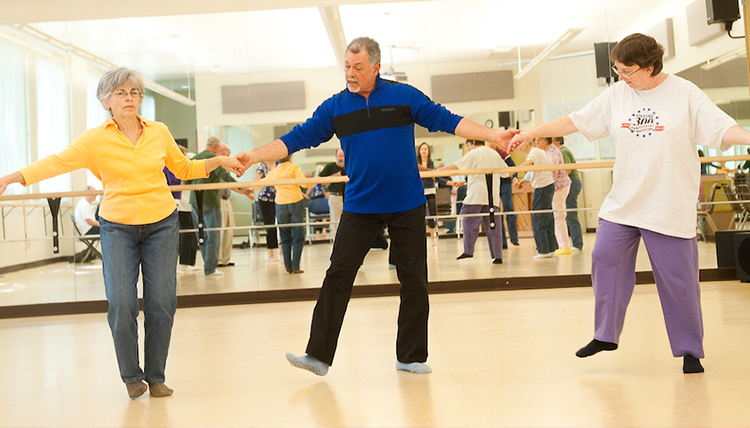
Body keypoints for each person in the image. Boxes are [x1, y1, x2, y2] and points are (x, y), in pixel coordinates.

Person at [237, 36, 516, 376]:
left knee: (414, 278)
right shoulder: (335, 107)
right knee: (338, 274)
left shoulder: (403, 96)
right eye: (346, 67)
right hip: (360, 205)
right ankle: (318, 356)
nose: (350, 74)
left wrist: (493, 136)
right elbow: (296, 138)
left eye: (358, 67)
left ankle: (410, 356)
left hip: (407, 203)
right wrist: (253, 156)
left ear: (376, 67)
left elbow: (446, 119)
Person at [508, 33, 750, 373]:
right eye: (617, 69)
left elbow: (721, 128)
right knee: (604, 256)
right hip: (623, 202)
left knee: (678, 282)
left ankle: (689, 350)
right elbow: (576, 120)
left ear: (650, 67)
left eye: (627, 71)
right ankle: (606, 333)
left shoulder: (685, 94)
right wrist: (534, 132)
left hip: (667, 203)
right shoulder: (617, 94)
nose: (621, 77)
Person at [0, 67, 244, 398]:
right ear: (106, 101)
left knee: (161, 303)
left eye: (134, 93)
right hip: (117, 228)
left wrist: (218, 162)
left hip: (162, 223)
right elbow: (54, 163)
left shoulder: (158, 131)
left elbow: (184, 169)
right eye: (120, 93)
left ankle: (156, 376)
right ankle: (131, 376)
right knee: (122, 303)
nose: (128, 99)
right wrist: (11, 178)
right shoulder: (94, 139)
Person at [185, 137, 252, 277]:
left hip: (195, 201)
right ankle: (210, 269)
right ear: (216, 148)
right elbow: (226, 178)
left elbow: (186, 181)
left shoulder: (196, 158)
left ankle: (208, 266)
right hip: (210, 201)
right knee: (214, 235)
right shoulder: (216, 160)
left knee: (201, 234)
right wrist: (243, 189)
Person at [440, 139, 506, 264]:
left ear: (473, 143)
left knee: (467, 219)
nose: (469, 148)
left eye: (468, 146)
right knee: (493, 225)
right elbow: (506, 173)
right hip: (492, 198)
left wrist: (438, 172)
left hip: (476, 196)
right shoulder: (494, 153)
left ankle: (468, 250)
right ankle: (498, 256)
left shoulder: (474, 153)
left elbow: (456, 165)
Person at [262, 154, 309, 274]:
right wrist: (313, 180)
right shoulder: (294, 168)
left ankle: (288, 266)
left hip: (280, 204)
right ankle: (296, 266)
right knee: (298, 234)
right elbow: (304, 184)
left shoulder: (275, 171)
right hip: (295, 201)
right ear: (291, 156)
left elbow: (262, 183)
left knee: (284, 235)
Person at [513, 138, 556, 259]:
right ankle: (551, 248)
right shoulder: (538, 152)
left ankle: (543, 250)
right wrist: (522, 181)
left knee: (538, 220)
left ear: (528, 142)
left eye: (520, 144)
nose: (519, 147)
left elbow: (529, 164)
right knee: (547, 219)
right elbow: (533, 170)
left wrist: (514, 171)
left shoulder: (534, 152)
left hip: (543, 187)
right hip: (547, 186)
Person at [540, 137, 572, 255]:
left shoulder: (552, 152)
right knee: (557, 215)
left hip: (560, 186)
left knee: (559, 216)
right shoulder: (547, 152)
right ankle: (562, 245)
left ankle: (565, 246)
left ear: (546, 140)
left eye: (539, 140)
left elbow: (551, 170)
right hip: (557, 186)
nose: (538, 142)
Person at [217, 143, 247, 267]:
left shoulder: (225, 166)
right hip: (218, 200)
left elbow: (230, 182)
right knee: (220, 229)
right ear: (219, 150)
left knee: (229, 230)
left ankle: (225, 259)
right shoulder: (216, 163)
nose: (229, 154)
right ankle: (217, 260)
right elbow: (228, 180)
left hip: (226, 199)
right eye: (227, 152)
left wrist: (244, 191)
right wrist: (243, 190)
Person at [552, 136, 583, 251]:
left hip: (571, 182)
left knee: (570, 213)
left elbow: (567, 170)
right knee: (568, 213)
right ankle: (574, 243)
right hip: (571, 182)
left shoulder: (563, 151)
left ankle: (577, 244)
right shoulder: (561, 151)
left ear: (557, 141)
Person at [491, 145, 519, 248]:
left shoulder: (502, 153)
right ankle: (502, 241)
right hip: (494, 183)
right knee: (496, 211)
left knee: (508, 208)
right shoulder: (487, 154)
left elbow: (513, 166)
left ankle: (514, 238)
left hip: (505, 182)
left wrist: (515, 178)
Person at [254, 162, 280, 262]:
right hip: (265, 199)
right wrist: (268, 180)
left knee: (283, 223)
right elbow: (256, 181)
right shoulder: (262, 166)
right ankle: (271, 253)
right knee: (270, 224)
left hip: (279, 197)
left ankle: (282, 250)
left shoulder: (279, 164)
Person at [319, 148, 346, 237]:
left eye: (343, 156)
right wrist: (328, 181)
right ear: (336, 156)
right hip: (335, 196)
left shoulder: (349, 166)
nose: (341, 158)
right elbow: (320, 179)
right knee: (335, 220)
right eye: (339, 156)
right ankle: (336, 242)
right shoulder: (330, 167)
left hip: (349, 197)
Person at [417, 142, 439, 247]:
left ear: (428, 151)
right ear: (419, 151)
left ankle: (433, 238)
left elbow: (435, 175)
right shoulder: (416, 162)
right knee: (420, 215)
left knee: (432, 213)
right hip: (420, 190)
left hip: (430, 190)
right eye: (422, 149)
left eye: (425, 149)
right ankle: (421, 238)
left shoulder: (431, 162)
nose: (424, 151)